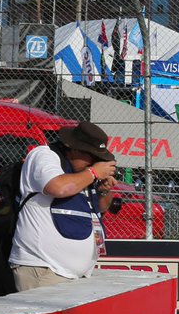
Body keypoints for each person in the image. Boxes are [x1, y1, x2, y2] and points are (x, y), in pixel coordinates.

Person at [10, 121, 117, 291]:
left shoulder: (83, 174)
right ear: (73, 148)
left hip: (74, 275)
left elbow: (100, 208)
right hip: (44, 269)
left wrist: (103, 190)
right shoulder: (44, 155)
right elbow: (58, 187)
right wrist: (93, 172)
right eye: (92, 156)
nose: (94, 162)